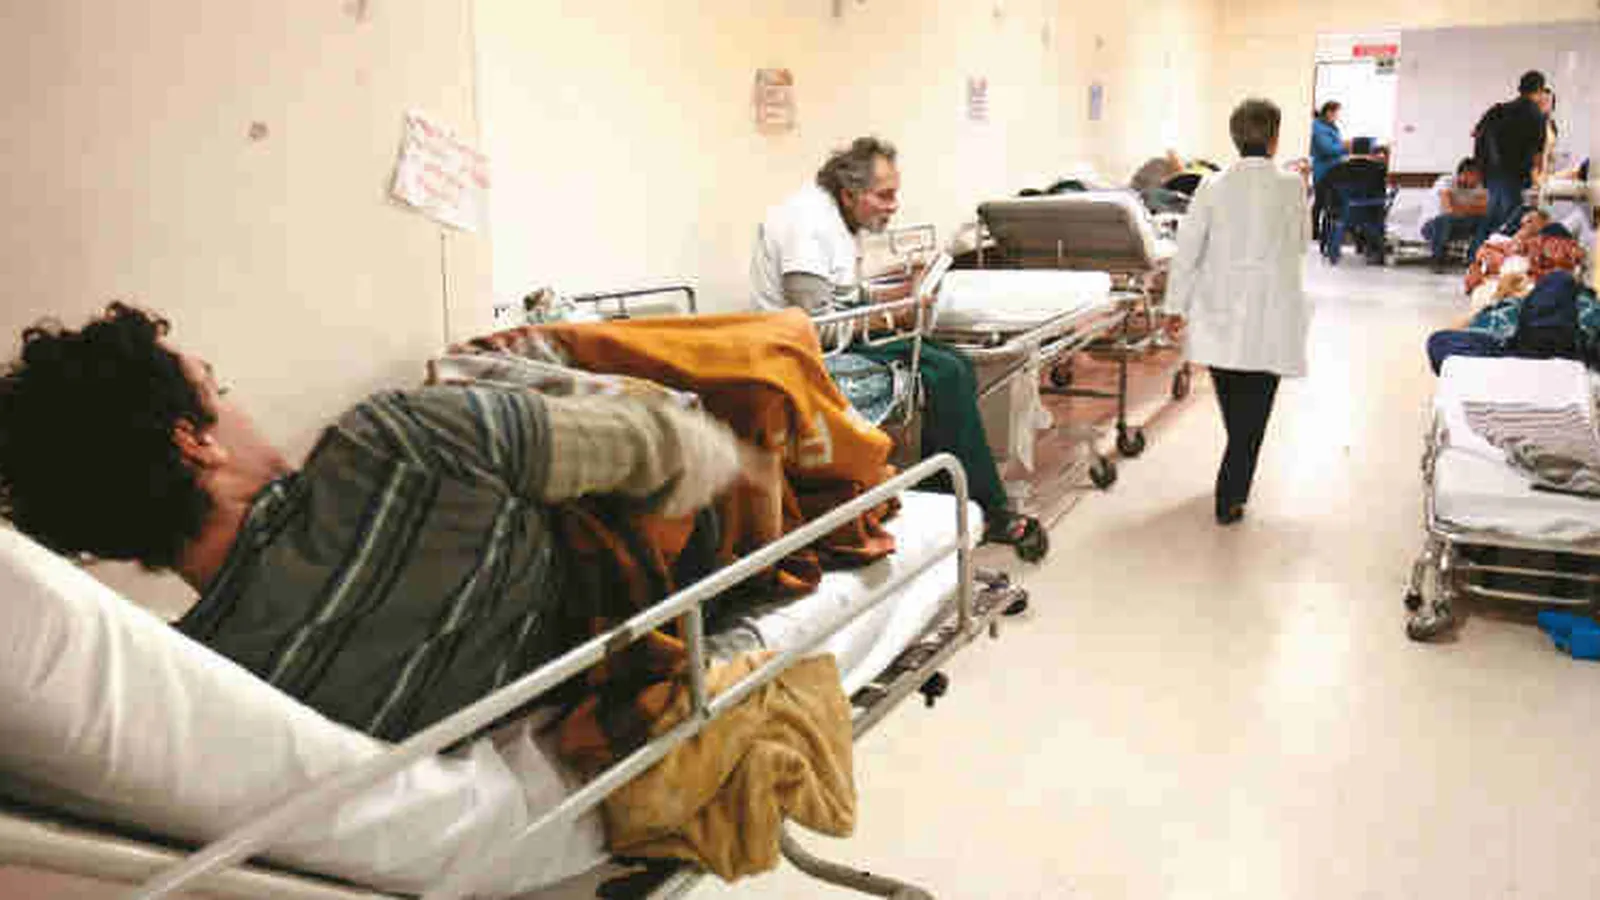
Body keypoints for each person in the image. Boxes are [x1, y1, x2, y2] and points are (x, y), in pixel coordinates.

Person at [0, 304, 749, 742]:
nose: (237, 403)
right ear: (195, 443)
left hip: (524, 680)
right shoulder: (389, 446)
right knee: (491, 362)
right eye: (217, 389)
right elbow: (686, 452)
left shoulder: (209, 685)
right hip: (667, 575)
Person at [749, 137, 1048, 558]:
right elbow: (815, 327)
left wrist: (902, 293)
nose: (893, 206)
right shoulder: (806, 225)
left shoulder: (833, 218)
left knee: (954, 362)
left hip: (833, 339)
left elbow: (845, 297)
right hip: (801, 354)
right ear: (849, 194)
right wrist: (895, 315)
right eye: (884, 196)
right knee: (944, 371)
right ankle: (988, 508)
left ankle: (947, 496)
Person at [1168, 99, 1311, 526]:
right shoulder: (1291, 186)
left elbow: (1187, 249)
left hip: (1219, 310)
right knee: (1254, 413)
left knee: (1236, 408)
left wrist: (1175, 306)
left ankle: (1233, 482)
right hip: (1271, 311)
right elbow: (1301, 242)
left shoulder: (1211, 185)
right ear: (1275, 138)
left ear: (1234, 138)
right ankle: (1230, 492)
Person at [1469, 70, 1548, 258]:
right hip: (1515, 176)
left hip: (1492, 173)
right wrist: (1539, 180)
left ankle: (1476, 257)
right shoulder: (1536, 115)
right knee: (1509, 222)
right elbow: (1538, 154)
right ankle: (1491, 260)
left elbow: (1475, 132)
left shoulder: (1498, 109)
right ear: (1539, 90)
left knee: (1492, 217)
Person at [1420, 158, 1488, 272]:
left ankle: (1473, 258)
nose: (1478, 180)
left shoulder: (1476, 187)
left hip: (1457, 225)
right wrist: (1471, 207)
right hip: (1431, 226)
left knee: (1484, 220)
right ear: (1466, 174)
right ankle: (1437, 258)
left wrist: (1462, 207)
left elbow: (1484, 209)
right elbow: (1448, 209)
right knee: (1446, 219)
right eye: (1477, 176)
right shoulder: (1446, 181)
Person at [1309, 101, 1349, 241]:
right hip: (1324, 171)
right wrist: (1346, 147)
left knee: (1325, 202)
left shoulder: (1331, 127)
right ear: (1328, 112)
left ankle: (1325, 231)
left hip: (1333, 170)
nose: (1337, 116)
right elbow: (1327, 149)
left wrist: (1344, 147)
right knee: (1321, 202)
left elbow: (1335, 146)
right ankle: (1314, 232)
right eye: (1336, 113)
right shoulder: (1318, 127)